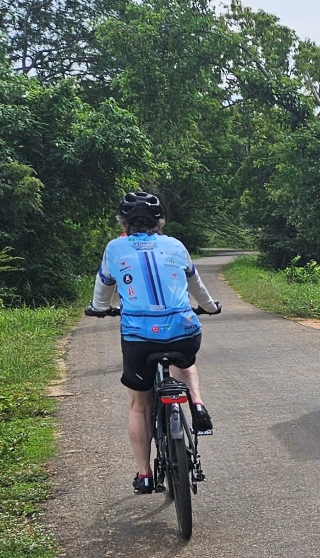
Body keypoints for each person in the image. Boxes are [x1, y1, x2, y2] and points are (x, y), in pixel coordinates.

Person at [85, 191, 221, 495]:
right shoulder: (175, 246)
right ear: (159, 222)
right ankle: (197, 404)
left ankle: (145, 474)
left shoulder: (115, 248)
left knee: (138, 404)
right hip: (183, 329)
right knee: (185, 362)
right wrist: (211, 307)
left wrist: (99, 309)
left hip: (139, 338)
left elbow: (102, 291)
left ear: (124, 222)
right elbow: (196, 286)